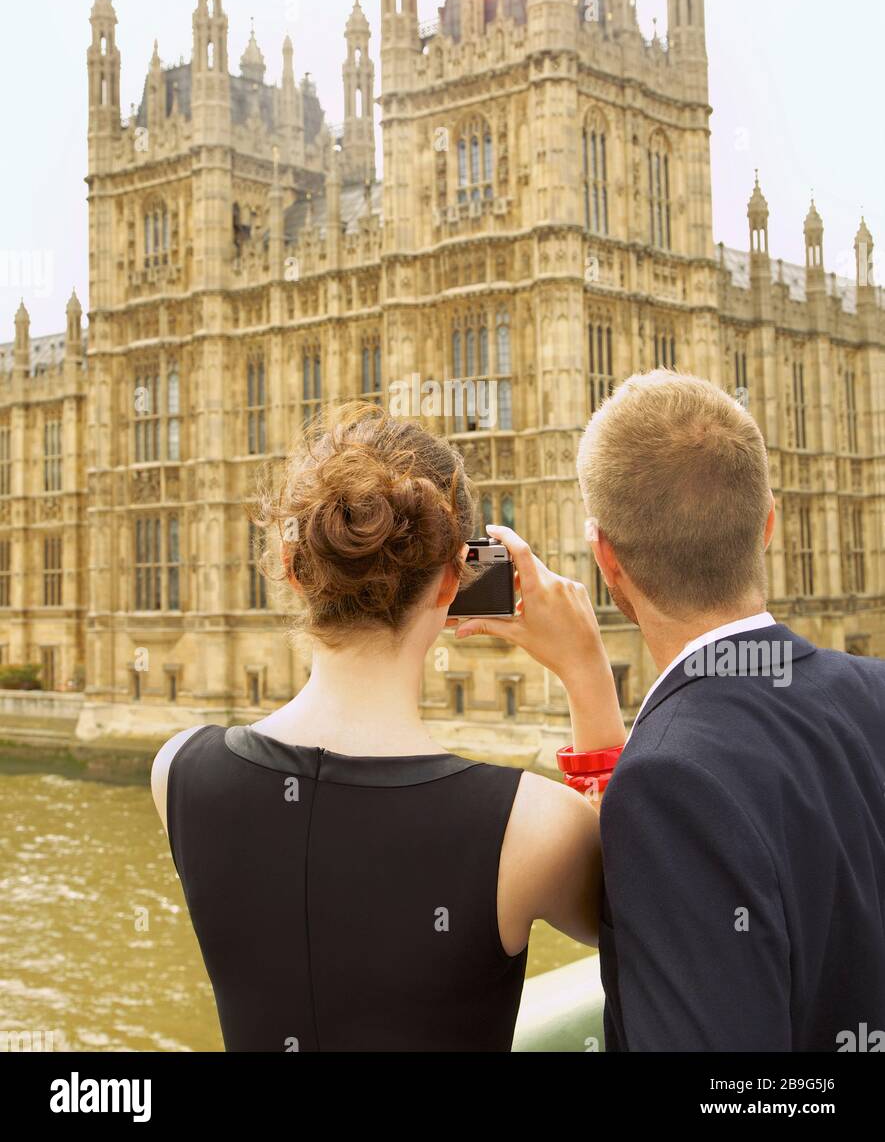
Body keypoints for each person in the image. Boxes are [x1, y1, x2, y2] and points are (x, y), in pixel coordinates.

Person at [151, 402, 623, 1052]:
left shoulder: (177, 770)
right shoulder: (529, 826)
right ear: (455, 582)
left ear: (292, 569)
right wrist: (586, 672)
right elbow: (650, 924)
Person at [458, 369, 885, 1051]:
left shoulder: (668, 783)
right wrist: (587, 679)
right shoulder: (872, 689)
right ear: (768, 523)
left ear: (605, 558)